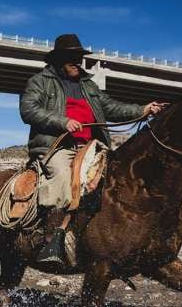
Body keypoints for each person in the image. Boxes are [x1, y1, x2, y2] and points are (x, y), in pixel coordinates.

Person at [19, 33, 167, 266]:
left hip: (91, 147)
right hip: (57, 146)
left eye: (79, 57)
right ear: (58, 60)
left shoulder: (88, 85)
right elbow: (29, 109)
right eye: (72, 58)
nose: (78, 62)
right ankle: (50, 239)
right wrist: (62, 121)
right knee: (61, 176)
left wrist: (144, 109)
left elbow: (112, 108)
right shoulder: (40, 81)